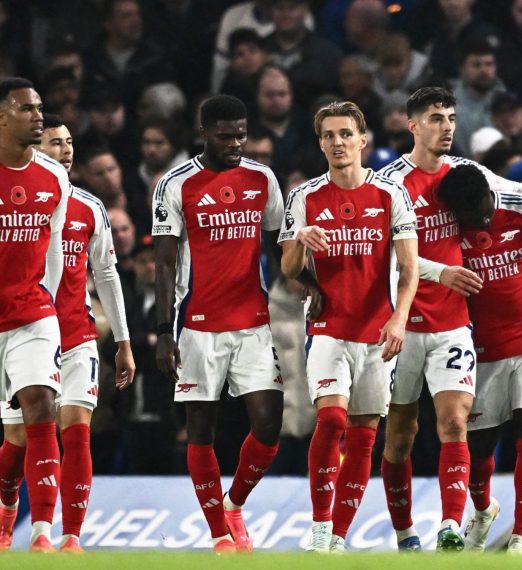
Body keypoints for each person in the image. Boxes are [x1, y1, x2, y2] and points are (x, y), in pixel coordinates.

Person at [378, 86, 522, 551]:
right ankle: (405, 535)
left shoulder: (468, 173)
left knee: (454, 424)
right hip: (402, 324)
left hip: (453, 325)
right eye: (436, 118)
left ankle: (451, 525)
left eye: (451, 117)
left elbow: (518, 199)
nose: (447, 126)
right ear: (413, 125)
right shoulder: (390, 184)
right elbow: (380, 255)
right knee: (400, 437)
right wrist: (441, 272)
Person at [279, 101, 418, 552]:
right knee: (331, 418)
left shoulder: (391, 195)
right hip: (328, 326)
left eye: (345, 134)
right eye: (329, 136)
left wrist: (399, 318)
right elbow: (288, 268)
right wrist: (300, 242)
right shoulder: (305, 197)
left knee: (363, 437)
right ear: (320, 144)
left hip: (377, 332)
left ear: (362, 140)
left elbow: (409, 267)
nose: (337, 142)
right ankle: (320, 526)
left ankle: (338, 536)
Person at [152, 94, 285, 554]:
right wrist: (164, 331)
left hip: (253, 323)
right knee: (201, 429)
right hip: (197, 325)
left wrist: (309, 283)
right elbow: (164, 263)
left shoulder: (262, 178)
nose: (235, 144)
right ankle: (218, 534)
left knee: (269, 425)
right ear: (203, 132)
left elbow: (279, 246)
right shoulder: (175, 184)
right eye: (225, 136)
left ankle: (234, 504)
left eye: (241, 135)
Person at [0, 113, 135, 552]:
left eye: (69, 142)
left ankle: (67, 536)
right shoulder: (19, 196)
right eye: (55, 143)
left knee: (76, 431)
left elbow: (108, 274)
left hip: (76, 336)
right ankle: (6, 512)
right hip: (22, 329)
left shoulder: (91, 208)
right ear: (34, 150)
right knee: (17, 441)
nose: (66, 150)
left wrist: (124, 341)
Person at [434, 164, 522, 553]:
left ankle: (521, 537)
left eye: (486, 208)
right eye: (474, 215)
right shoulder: (445, 229)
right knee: (480, 447)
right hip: (481, 348)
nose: (484, 219)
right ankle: (484, 510)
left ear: (491, 192)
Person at [0, 77, 70, 552]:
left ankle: (43, 533)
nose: (38, 115)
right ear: (2, 118)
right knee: (15, 436)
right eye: (27, 108)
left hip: (33, 313)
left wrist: (48, 301)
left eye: (40, 107)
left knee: (42, 404)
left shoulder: (53, 177)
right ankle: (7, 506)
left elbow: (55, 251)